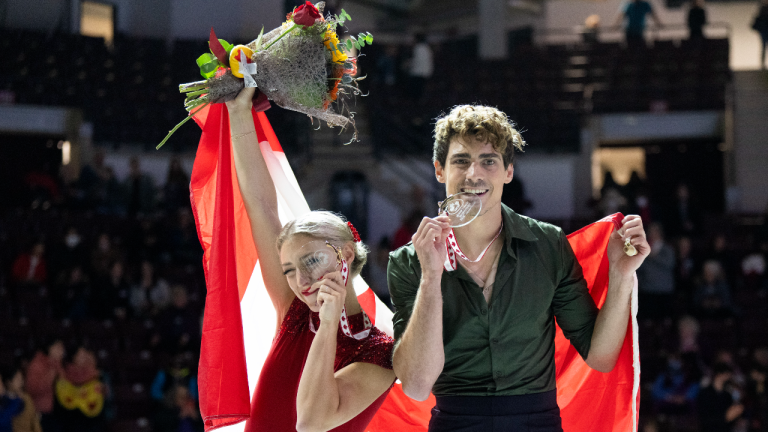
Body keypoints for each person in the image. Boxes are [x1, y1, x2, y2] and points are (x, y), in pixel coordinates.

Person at [388, 105, 650, 431]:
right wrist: (431, 277)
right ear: (439, 170)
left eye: (488, 161)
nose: (474, 174)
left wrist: (622, 273)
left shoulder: (548, 245)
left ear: (508, 171)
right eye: (461, 161)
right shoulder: (408, 261)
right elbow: (416, 385)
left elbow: (601, 357)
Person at [227, 86, 396, 432]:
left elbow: (311, 422)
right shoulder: (294, 308)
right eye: (288, 270)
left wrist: (330, 324)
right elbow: (260, 205)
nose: (301, 281)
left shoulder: (380, 354)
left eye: (311, 262)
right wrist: (237, 111)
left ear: (345, 254)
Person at [637, 223, 676, 319]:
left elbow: (670, 263)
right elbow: (640, 267)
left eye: (654, 231)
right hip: (648, 289)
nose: (651, 233)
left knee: (663, 319)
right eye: (650, 231)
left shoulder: (667, 249)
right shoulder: (644, 248)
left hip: (663, 290)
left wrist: (654, 256)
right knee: (648, 319)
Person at [25, 340, 64, 432]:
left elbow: (63, 385)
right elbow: (32, 389)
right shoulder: (37, 364)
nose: (61, 351)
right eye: (58, 347)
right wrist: (50, 375)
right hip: (42, 411)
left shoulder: (58, 364)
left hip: (57, 410)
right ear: (49, 348)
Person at [697, 362, 744, 432]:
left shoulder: (727, 395)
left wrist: (735, 416)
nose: (729, 377)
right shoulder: (704, 393)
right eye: (727, 374)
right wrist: (725, 418)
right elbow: (704, 419)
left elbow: (730, 419)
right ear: (719, 374)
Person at [3, 366, 43, 432]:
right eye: (18, 379)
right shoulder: (5, 402)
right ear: (9, 382)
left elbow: (34, 419)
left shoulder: (26, 397)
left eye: (21, 379)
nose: (21, 382)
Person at [753, 0, 768, 69]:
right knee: (763, 48)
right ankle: (762, 64)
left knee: (763, 48)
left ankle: (762, 65)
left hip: (763, 31)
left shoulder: (762, 8)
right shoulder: (762, 8)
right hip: (764, 30)